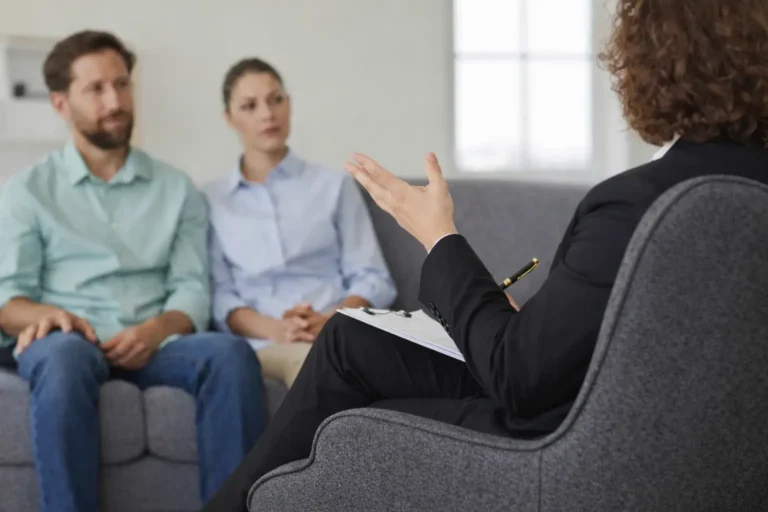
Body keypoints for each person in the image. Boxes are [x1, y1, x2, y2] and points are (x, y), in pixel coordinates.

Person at [204, 0, 768, 509]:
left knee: (348, 347)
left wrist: (439, 237)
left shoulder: (639, 204)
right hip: (696, 441)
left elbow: (521, 381)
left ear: (654, 64)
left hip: (573, 434)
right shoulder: (735, 194)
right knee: (352, 335)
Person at [0, 31, 268, 512]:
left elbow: (191, 289)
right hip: (68, 341)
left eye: (122, 84)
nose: (115, 100)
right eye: (96, 89)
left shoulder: (176, 188)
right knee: (60, 359)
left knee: (230, 355)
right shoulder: (26, 192)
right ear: (61, 104)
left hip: (157, 342)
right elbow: (8, 302)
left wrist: (157, 328)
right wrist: (53, 316)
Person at [203, 58, 397, 388]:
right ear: (229, 119)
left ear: (289, 104)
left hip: (338, 329)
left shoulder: (334, 185)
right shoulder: (212, 200)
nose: (267, 114)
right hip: (267, 343)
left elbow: (372, 277)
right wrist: (278, 330)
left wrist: (330, 322)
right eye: (250, 106)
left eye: (275, 99)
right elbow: (221, 297)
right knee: (310, 363)